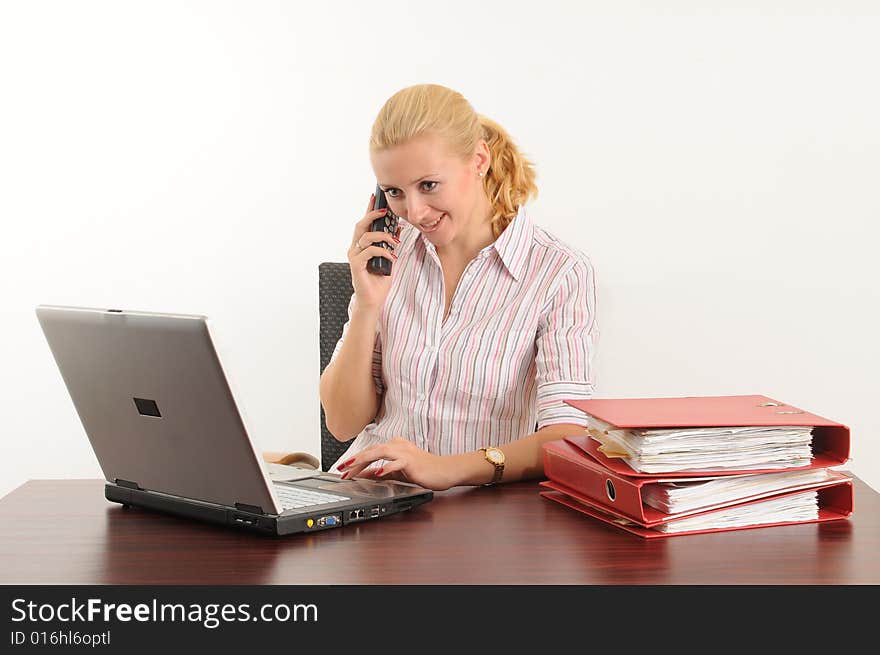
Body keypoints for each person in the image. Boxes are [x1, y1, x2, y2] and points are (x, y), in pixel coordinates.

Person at [319, 83, 598, 491]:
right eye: (395, 192)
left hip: (477, 510)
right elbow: (343, 424)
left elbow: (568, 436)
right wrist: (366, 305)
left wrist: (446, 469)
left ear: (479, 160)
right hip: (369, 494)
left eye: (428, 185)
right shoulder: (391, 256)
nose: (413, 212)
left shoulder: (558, 272)